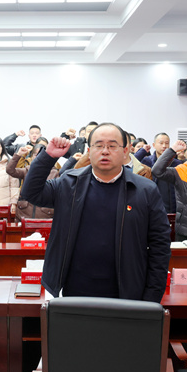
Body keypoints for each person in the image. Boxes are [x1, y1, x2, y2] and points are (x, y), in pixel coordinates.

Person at [21, 123, 171, 301]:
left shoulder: (146, 190)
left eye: (112, 146)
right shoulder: (69, 184)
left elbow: (160, 245)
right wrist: (48, 157)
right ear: (89, 151)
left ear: (125, 151)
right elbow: (31, 192)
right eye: (98, 146)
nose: (105, 151)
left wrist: (152, 295)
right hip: (75, 290)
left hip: (128, 293)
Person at [7, 142, 58, 221]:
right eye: (35, 154)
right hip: (24, 215)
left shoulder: (54, 172)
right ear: (31, 156)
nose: (38, 157)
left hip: (45, 217)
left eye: (41, 155)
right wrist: (18, 155)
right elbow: (10, 170)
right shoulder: (27, 170)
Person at [140, 132, 181, 213]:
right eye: (161, 143)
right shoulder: (146, 161)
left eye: (167, 143)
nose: (164, 146)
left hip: (172, 207)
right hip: (151, 204)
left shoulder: (177, 163)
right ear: (154, 145)